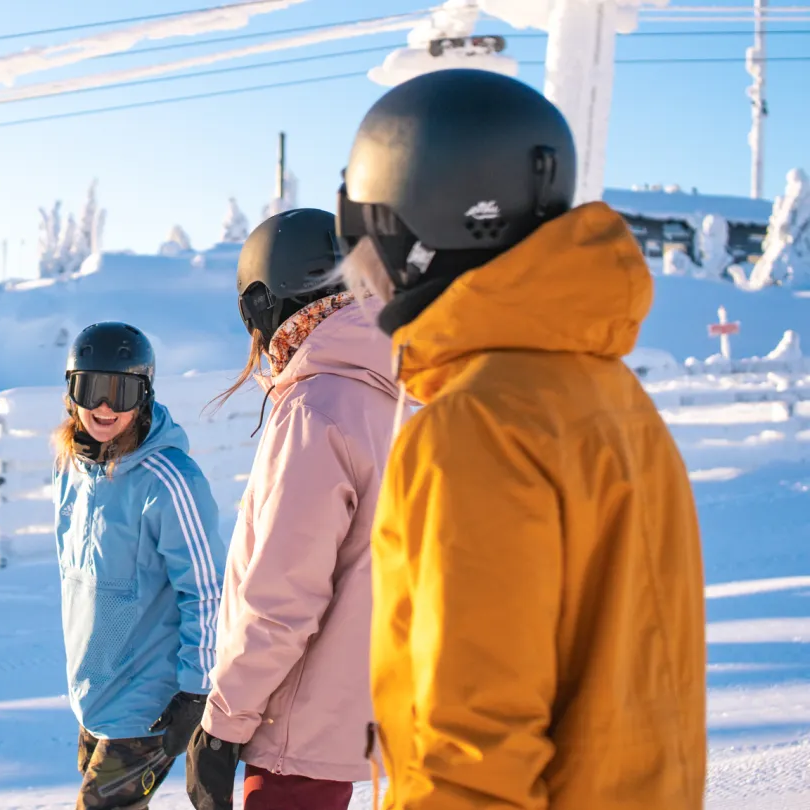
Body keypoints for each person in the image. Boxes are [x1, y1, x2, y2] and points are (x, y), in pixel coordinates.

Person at [336, 68, 707, 809]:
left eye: (366, 233)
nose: (361, 273)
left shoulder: (473, 428)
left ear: (418, 228)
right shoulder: (608, 395)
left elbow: (472, 749)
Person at [183, 209, 401, 810]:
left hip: (295, 729)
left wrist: (223, 724)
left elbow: (284, 594)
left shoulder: (315, 404)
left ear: (265, 303)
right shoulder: (392, 385)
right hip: (365, 705)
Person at [54, 321, 227, 810]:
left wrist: (195, 692)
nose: (105, 407)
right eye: (92, 388)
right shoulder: (70, 466)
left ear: (144, 394)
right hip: (94, 693)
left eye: (122, 391)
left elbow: (208, 591)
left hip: (148, 703)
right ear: (71, 392)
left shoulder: (169, 480)